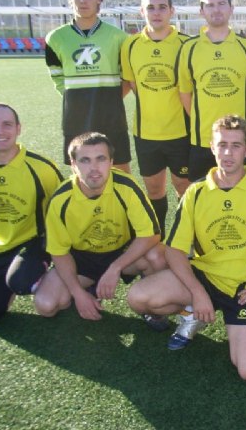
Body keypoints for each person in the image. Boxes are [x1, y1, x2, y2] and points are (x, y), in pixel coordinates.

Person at [127, 115, 246, 381]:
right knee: (138, 298)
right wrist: (197, 293)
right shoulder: (196, 192)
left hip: (243, 291)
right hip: (203, 277)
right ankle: (191, 314)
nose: (228, 153)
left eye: (235, 145)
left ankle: (224, 320)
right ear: (212, 147)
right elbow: (174, 250)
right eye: (222, 145)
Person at [33, 133, 166, 324]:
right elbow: (59, 252)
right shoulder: (60, 200)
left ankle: (151, 307)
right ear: (73, 164)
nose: (94, 168)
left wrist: (115, 267)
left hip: (122, 253)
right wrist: (77, 294)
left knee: (156, 255)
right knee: (46, 305)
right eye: (85, 160)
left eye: (101, 159)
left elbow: (152, 234)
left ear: (111, 162)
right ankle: (88, 288)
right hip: (83, 257)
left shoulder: (126, 186)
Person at [0, 103, 63, 321]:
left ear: (18, 128)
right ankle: (16, 274)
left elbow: (64, 208)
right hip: (1, 244)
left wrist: (55, 246)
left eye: (7, 125)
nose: (0, 132)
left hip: (37, 241)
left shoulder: (41, 168)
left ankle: (54, 274)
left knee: (21, 281)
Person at [177, 0, 246, 182]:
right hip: (202, 140)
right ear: (202, 11)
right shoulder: (189, 48)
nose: (216, 10)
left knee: (243, 199)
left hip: (239, 141)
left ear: (231, 8)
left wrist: (240, 122)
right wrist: (199, 119)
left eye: (221, 4)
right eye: (210, 5)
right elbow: (185, 93)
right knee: (202, 198)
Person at [121, 0, 190, 234]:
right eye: (151, 7)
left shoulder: (186, 44)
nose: (156, 12)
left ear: (171, 11)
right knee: (154, 189)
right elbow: (131, 83)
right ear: (142, 11)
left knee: (184, 186)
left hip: (181, 133)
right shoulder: (130, 46)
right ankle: (157, 238)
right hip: (146, 133)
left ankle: (185, 238)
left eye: (162, 7)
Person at [45, 0, 131, 172]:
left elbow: (127, 77)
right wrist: (77, 100)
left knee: (120, 172)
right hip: (75, 117)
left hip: (111, 116)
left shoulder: (119, 37)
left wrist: (110, 100)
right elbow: (57, 77)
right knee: (81, 174)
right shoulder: (55, 38)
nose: (83, 0)